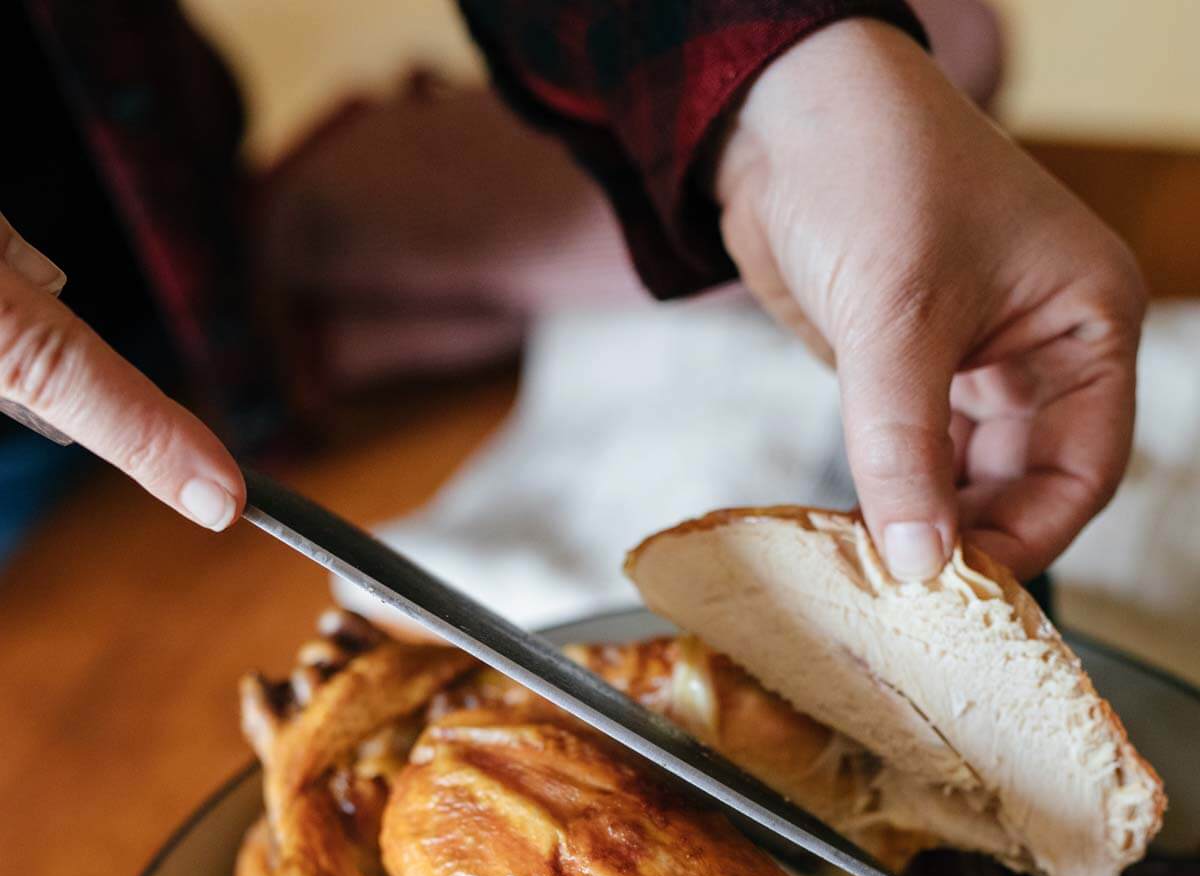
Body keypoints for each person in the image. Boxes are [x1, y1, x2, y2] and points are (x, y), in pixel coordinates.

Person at [0, 1, 1144, 583]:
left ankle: (299, 248)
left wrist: (782, 71)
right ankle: (323, 244)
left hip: (150, 204)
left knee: (944, 36)